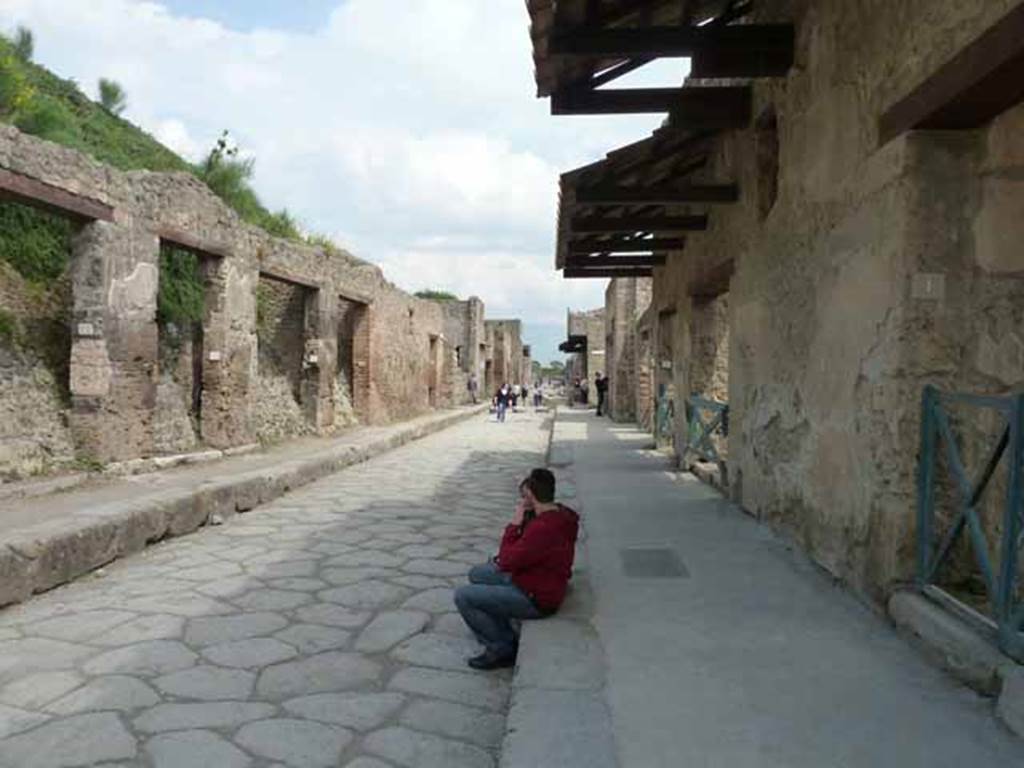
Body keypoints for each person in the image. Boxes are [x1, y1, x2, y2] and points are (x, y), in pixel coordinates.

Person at [454, 468, 579, 670]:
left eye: (523, 497)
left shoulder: (542, 528)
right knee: (477, 573)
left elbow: (506, 560)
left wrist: (515, 522)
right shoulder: (561, 514)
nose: (521, 501)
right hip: (535, 578)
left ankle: (501, 647)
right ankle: (498, 620)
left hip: (536, 597)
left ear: (530, 496)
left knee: (464, 596)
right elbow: (519, 556)